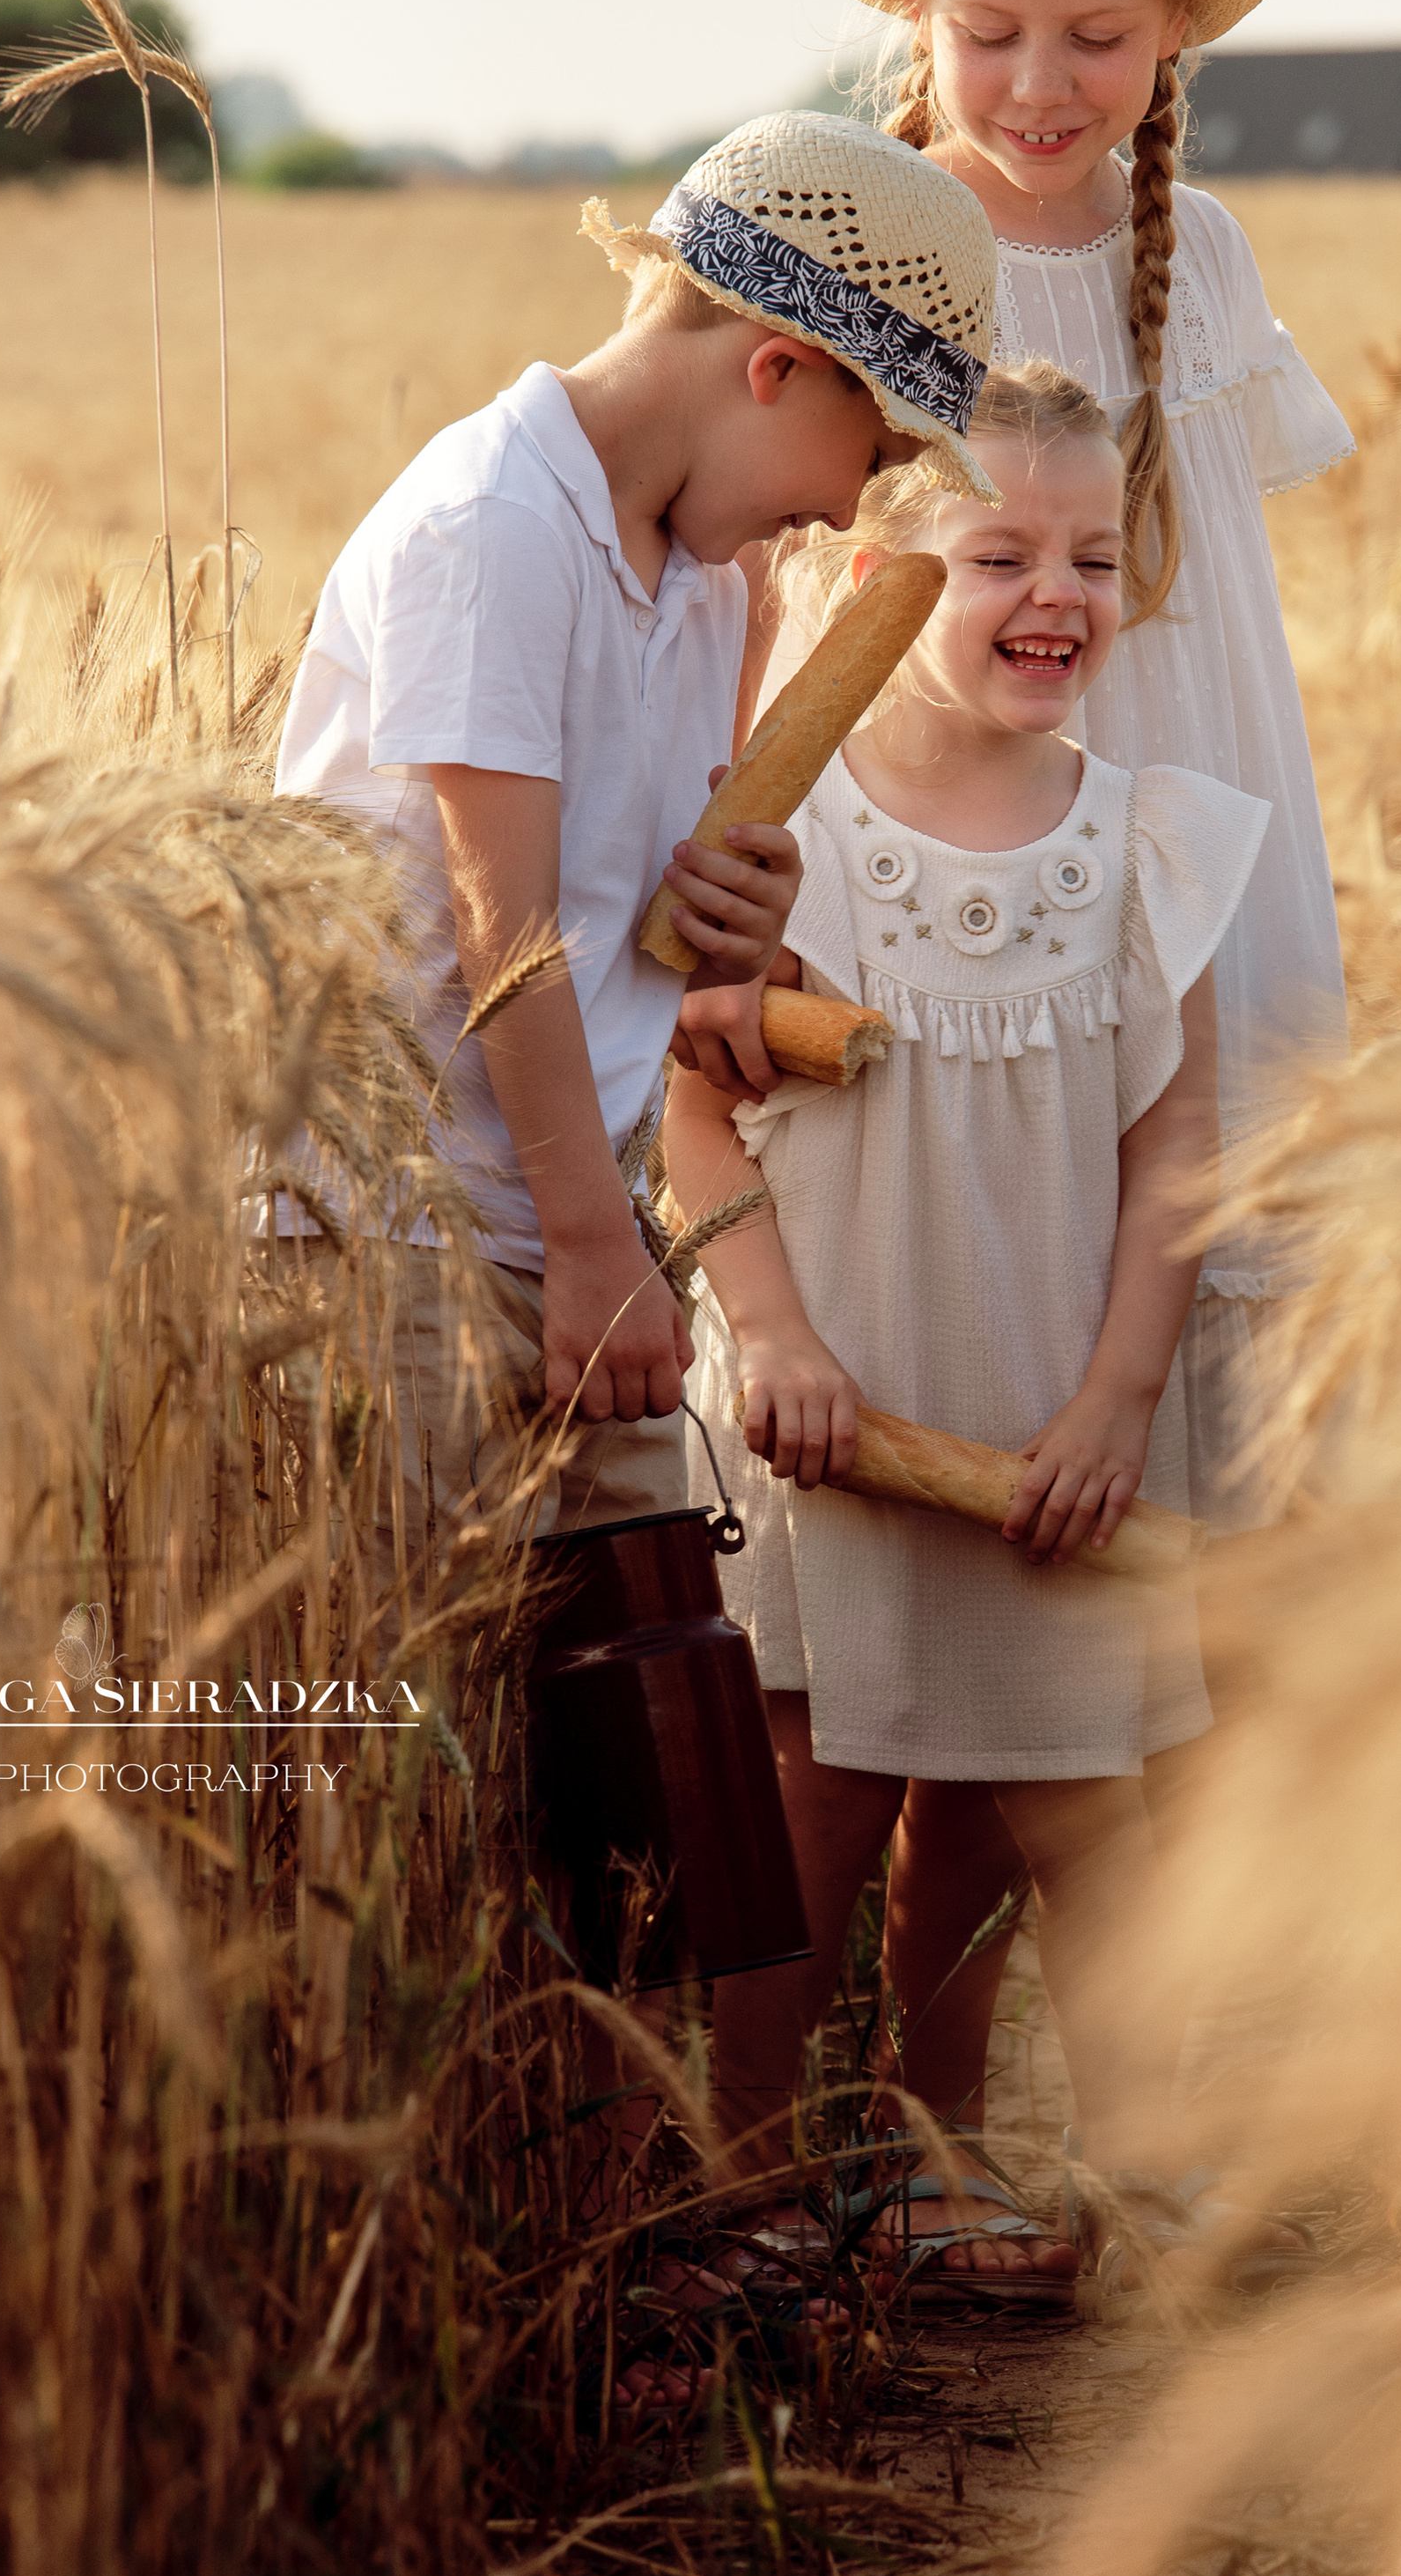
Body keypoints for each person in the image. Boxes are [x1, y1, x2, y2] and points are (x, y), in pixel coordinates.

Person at [799, 0, 1358, 2236]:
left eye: (1099, 42)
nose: (1040, 87)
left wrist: (1227, 902)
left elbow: (1212, 617)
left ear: (1172, 53)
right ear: (912, 15)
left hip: (1181, 865)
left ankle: (1159, 2097)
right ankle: (914, 2124)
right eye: (993, 32)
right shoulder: (860, 232)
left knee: (1176, 1553)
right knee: (953, 1535)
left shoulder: (1193, 259)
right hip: (936, 905)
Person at [666, 361, 1265, 2304]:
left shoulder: (1147, 844)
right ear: (872, 579)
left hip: (1045, 1413)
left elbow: (1173, 1147)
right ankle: (743, 2188)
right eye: (999, 553)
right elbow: (692, 1111)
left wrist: (1117, 1399)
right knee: (815, 1798)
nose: (1057, 593)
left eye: (1090, 556)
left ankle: (1073, 2168)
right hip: (836, 1402)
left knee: (1075, 1808)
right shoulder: (783, 840)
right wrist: (772, 1337)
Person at [269, 109, 1003, 1626]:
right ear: (775, 366)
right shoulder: (494, 526)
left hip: (578, 1222)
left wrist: (735, 922)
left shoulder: (719, 579)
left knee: (626, 1697)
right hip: (401, 1238)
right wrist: (598, 1245)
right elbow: (506, 931)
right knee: (410, 1690)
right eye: (872, 449)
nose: (846, 507)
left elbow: (645, 929)